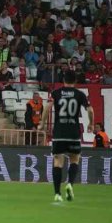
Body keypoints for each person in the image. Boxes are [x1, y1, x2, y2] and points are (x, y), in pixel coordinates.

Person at [40, 71, 94, 202]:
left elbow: (47, 107)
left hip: (59, 132)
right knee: (74, 159)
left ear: (63, 80)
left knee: (58, 161)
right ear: (75, 81)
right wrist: (91, 124)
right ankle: (70, 183)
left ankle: (57, 193)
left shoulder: (56, 93)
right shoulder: (80, 94)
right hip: (73, 132)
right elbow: (90, 109)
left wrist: (42, 123)